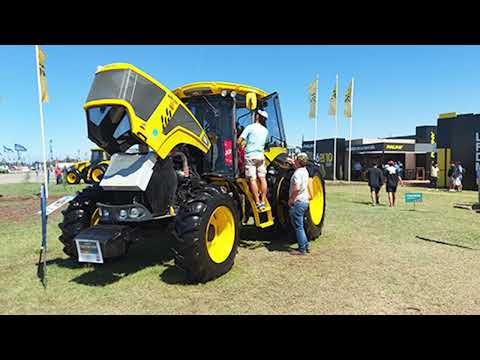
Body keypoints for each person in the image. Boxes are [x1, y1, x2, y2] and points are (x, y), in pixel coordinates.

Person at [237, 109, 269, 211]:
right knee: (263, 178)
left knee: (252, 179)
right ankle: (263, 201)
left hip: (251, 156)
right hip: (260, 156)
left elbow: (239, 141)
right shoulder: (265, 130)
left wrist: (240, 144)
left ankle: (257, 202)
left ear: (257, 117)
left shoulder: (250, 127)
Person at [288, 152, 311, 255]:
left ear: (298, 161)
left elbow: (296, 188)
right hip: (305, 201)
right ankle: (306, 245)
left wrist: (291, 199)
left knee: (298, 226)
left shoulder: (297, 173)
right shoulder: (304, 171)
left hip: (298, 201)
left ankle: (302, 249)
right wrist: (293, 163)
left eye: (296, 160)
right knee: (300, 225)